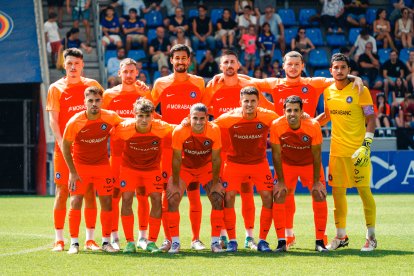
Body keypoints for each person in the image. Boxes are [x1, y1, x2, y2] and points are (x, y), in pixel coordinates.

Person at [204, 50, 275, 250]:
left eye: (232, 62)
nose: (228, 65)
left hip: (250, 152)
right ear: (220, 66)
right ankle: (226, 237)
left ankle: (250, 237)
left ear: (238, 65)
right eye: (225, 62)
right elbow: (201, 109)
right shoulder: (212, 87)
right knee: (224, 196)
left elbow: (272, 111)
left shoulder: (249, 87)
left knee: (247, 194)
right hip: (224, 153)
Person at [317, 53, 377, 252]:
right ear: (331, 70)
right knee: (337, 195)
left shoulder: (360, 89)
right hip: (337, 152)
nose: (340, 71)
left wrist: (366, 145)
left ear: (349, 70)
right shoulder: (327, 91)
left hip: (358, 151)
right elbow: (326, 115)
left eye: (343, 67)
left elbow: (371, 117)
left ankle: (371, 237)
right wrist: (307, 125)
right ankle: (341, 236)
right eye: (336, 67)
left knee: (364, 192)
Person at [151, 44, 207, 252]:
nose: (181, 62)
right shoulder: (160, 83)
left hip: (193, 147)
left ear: (189, 61)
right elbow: (148, 111)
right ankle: (169, 239)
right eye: (177, 58)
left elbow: (206, 111)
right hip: (168, 148)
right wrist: (168, 126)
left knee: (194, 193)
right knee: (169, 193)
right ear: (171, 60)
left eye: (184, 58)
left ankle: (196, 239)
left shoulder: (199, 83)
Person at [46, 48, 102, 252]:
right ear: (64, 64)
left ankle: (89, 239)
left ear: (82, 65)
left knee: (88, 191)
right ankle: (59, 239)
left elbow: (105, 108)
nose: (72, 67)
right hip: (65, 149)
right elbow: (53, 119)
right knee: (62, 191)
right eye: (69, 63)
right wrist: (62, 143)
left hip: (88, 149)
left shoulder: (92, 85)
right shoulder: (56, 88)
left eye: (76, 64)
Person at [214, 86, 279, 253]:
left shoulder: (268, 116)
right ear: (240, 102)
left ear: (258, 102)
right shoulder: (229, 118)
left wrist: (305, 116)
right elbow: (208, 127)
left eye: (253, 101)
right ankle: (232, 241)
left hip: (259, 163)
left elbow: (285, 122)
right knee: (228, 198)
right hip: (234, 163)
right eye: (246, 101)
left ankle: (263, 240)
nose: (249, 104)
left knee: (267, 197)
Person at [61, 86, 123, 254]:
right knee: (75, 202)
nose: (94, 104)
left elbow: (126, 125)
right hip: (80, 168)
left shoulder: (110, 117)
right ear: (84, 102)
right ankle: (74, 243)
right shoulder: (75, 121)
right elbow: (65, 146)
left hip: (103, 166)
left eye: (97, 100)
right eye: (90, 101)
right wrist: (73, 172)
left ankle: (106, 242)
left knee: (107, 203)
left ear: (102, 101)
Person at [111, 98, 174, 253]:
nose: (144, 120)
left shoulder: (161, 127)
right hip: (129, 169)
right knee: (126, 200)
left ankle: (151, 241)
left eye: (147, 116)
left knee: (156, 200)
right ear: (134, 115)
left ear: (153, 116)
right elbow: (109, 132)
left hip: (152, 170)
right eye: (140, 116)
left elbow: (179, 129)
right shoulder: (124, 128)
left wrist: (187, 123)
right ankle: (130, 242)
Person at [102, 58, 152, 250]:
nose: (129, 75)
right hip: (117, 154)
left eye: (133, 71)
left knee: (142, 194)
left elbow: (151, 120)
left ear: (137, 73)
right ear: (119, 73)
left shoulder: (144, 93)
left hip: (140, 153)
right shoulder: (109, 95)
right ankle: (114, 236)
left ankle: (142, 236)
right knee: (115, 194)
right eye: (126, 71)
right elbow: (104, 123)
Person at [270, 95, 328, 253]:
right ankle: (282, 241)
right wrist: (280, 182)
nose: (292, 113)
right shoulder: (276, 125)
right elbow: (276, 155)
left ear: (302, 112)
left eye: (296, 110)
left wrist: (317, 182)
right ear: (284, 111)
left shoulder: (313, 125)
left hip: (309, 164)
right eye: (289, 110)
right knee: (280, 194)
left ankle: (320, 241)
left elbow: (317, 155)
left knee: (319, 194)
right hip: (287, 164)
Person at [167, 103, 223, 253]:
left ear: (207, 118)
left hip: (205, 167)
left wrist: (217, 183)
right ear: (189, 118)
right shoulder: (180, 131)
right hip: (186, 168)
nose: (198, 122)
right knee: (172, 198)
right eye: (195, 118)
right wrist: (175, 182)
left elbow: (216, 159)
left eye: (201, 119)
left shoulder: (213, 130)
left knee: (218, 197)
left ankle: (215, 242)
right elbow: (177, 159)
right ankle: (175, 242)